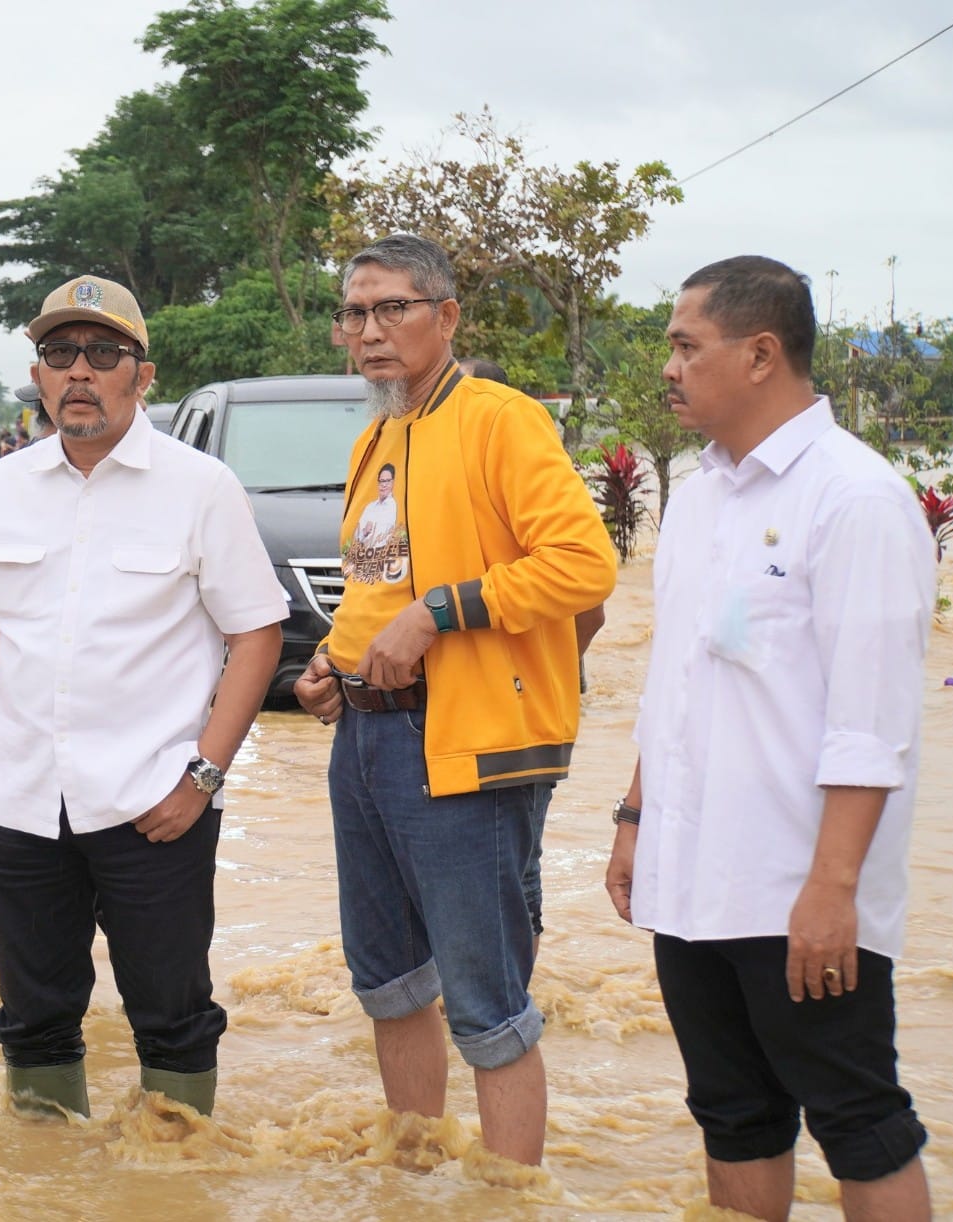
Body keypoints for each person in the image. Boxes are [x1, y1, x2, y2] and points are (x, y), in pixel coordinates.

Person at [605, 256, 935, 1220]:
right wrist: (635, 818)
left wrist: (832, 892)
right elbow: (682, 676)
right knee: (733, 1115)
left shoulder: (856, 499)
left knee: (859, 1120)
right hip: (692, 872)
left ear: (759, 354)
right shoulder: (701, 495)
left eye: (683, 345)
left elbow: (873, 728)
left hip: (800, 887)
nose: (667, 366)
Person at [0, 274, 285, 1119]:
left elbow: (258, 636)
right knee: (34, 1020)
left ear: (141, 374)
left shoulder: (201, 488)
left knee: (173, 1017)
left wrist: (201, 778)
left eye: (102, 352)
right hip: (19, 806)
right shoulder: (5, 489)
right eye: (59, 353)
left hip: (153, 805)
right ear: (39, 376)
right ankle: (49, 1189)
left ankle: (174, 1186)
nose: (78, 371)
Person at [293, 234, 615, 1166]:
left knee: (487, 1004)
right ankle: (414, 1171)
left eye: (394, 308)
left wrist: (444, 612)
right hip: (366, 742)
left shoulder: (500, 420)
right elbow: (373, 588)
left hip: (468, 746)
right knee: (389, 984)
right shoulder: (379, 434)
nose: (371, 331)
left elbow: (584, 565)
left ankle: (507, 1196)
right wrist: (330, 664)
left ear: (447, 316)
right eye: (356, 313)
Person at [456, 355, 607, 951]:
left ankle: (514, 987)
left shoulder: (526, 482)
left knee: (515, 861)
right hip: (486, 702)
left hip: (520, 702)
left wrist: (549, 672)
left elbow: (591, 605)